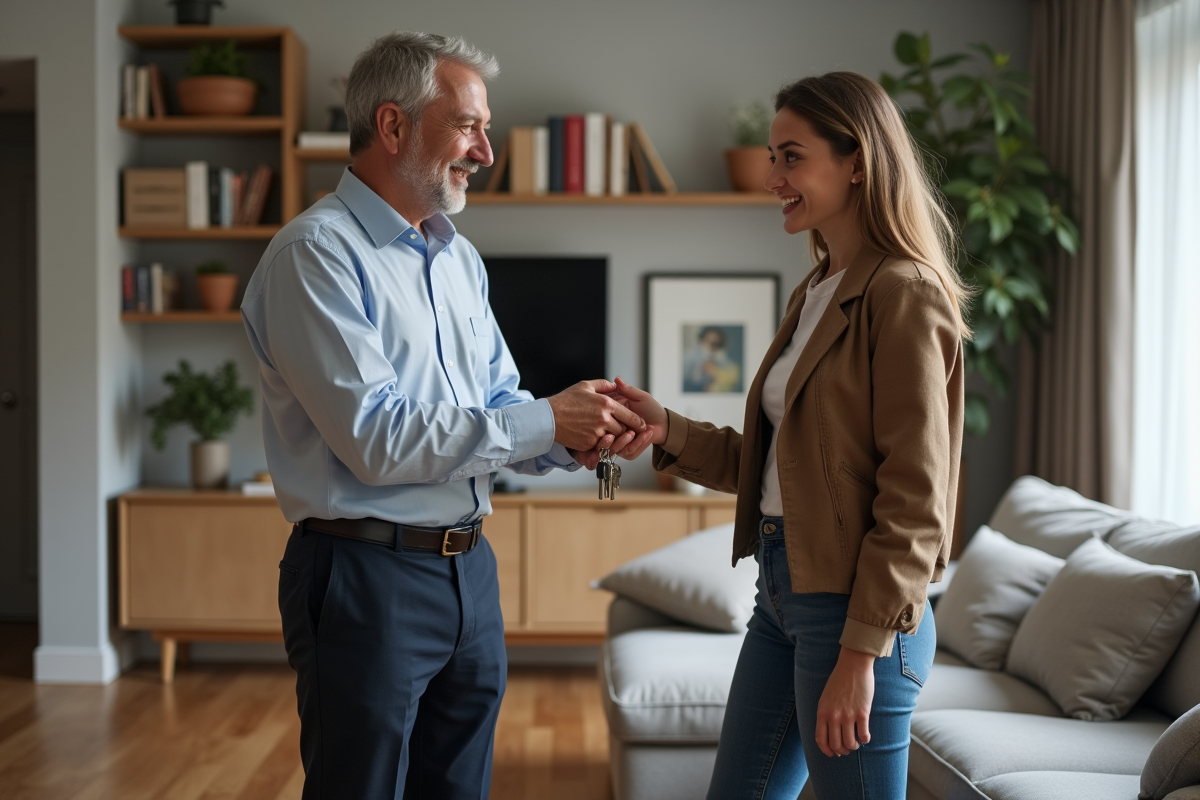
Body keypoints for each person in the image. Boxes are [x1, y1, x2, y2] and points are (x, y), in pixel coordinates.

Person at [240, 32, 643, 800]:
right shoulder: (315, 255)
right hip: (365, 576)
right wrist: (547, 423)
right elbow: (378, 441)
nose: (484, 152)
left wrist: (574, 437)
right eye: (467, 127)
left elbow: (495, 410)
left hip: (469, 572)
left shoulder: (458, 259)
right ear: (392, 127)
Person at [609, 72, 967, 799]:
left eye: (791, 157)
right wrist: (665, 428)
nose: (772, 178)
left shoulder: (902, 292)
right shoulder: (817, 288)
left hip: (854, 615)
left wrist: (860, 655)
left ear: (857, 160)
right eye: (773, 158)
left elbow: (917, 497)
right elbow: (783, 465)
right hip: (782, 595)